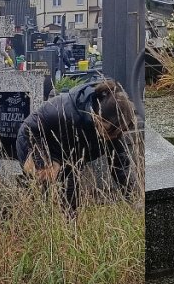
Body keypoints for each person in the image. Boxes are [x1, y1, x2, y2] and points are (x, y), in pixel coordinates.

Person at [15, 79, 137, 211]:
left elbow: (120, 166)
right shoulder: (65, 111)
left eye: (117, 133)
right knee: (41, 195)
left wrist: (133, 197)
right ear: (97, 118)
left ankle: (69, 224)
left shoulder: (114, 129)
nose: (112, 137)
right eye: (109, 131)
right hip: (36, 142)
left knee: (71, 197)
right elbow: (29, 128)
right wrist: (43, 162)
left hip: (69, 156)